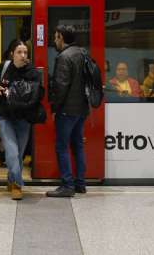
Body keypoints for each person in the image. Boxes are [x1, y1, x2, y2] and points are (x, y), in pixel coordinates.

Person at [0, 40, 42, 200]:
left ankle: (11, 179)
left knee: (18, 153)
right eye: (19, 52)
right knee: (11, 150)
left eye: (25, 52)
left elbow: (37, 94)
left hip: (23, 117)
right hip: (4, 115)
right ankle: (18, 185)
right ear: (12, 54)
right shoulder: (4, 67)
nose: (23, 55)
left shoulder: (32, 72)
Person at [46, 25, 89, 198]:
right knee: (78, 145)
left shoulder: (63, 57)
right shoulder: (82, 53)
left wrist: (55, 108)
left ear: (62, 38)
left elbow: (61, 86)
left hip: (66, 110)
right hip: (81, 109)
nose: (54, 40)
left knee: (62, 147)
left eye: (56, 37)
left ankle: (67, 185)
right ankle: (80, 183)